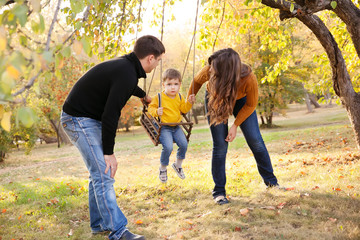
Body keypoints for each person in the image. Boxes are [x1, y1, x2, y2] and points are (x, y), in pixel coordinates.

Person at [60, 35, 165, 240]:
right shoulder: (127, 73)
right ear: (150, 58)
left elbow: (123, 84)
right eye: (159, 60)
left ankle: (98, 225)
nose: (158, 64)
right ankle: (118, 231)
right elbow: (110, 115)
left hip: (84, 117)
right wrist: (109, 153)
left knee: (98, 173)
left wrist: (142, 94)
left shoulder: (125, 67)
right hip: (78, 120)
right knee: (104, 172)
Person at [187, 48, 279, 205]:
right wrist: (191, 97)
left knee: (255, 140)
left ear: (227, 70)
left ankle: (272, 183)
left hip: (241, 102)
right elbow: (196, 81)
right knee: (220, 146)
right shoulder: (210, 69)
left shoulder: (248, 78)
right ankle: (219, 192)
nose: (210, 70)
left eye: (214, 68)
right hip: (216, 98)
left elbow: (251, 105)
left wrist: (235, 125)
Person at [148, 68, 195, 183]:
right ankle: (163, 168)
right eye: (169, 84)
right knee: (168, 147)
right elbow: (150, 108)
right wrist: (156, 111)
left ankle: (178, 165)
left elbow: (184, 109)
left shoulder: (179, 97)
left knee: (184, 144)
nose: (173, 87)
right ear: (163, 85)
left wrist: (189, 102)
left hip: (176, 127)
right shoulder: (159, 97)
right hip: (164, 128)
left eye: (175, 84)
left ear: (179, 85)